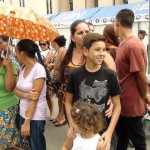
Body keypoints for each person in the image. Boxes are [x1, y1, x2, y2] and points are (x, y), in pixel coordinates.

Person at [64, 33, 121, 150]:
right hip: (81, 130)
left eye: (104, 50)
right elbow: (68, 101)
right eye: (97, 49)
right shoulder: (75, 74)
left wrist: (109, 132)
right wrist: (72, 124)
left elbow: (118, 105)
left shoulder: (110, 75)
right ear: (85, 51)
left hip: (103, 131)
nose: (102, 53)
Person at [114, 9, 149, 150]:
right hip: (122, 103)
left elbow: (141, 78)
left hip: (132, 105)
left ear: (117, 22)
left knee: (138, 142)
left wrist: (144, 97)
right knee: (122, 139)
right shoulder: (124, 44)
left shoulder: (133, 45)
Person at [15, 39, 47, 150]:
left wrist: (27, 122)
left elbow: (35, 99)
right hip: (23, 113)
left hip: (35, 116)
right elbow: (16, 91)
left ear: (22, 53)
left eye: (16, 52)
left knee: (36, 146)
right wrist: (26, 95)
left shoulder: (39, 70)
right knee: (27, 146)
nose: (16, 55)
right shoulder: (23, 68)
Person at [0, 42, 20, 149]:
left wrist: (8, 68)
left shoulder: (8, 65)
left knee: (7, 143)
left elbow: (10, 88)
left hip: (7, 108)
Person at [47, 35, 67, 126]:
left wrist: (53, 64)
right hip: (56, 79)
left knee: (62, 98)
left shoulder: (62, 51)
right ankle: (60, 115)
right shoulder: (58, 51)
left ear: (55, 42)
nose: (51, 43)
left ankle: (62, 116)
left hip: (60, 79)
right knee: (60, 98)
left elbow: (62, 64)